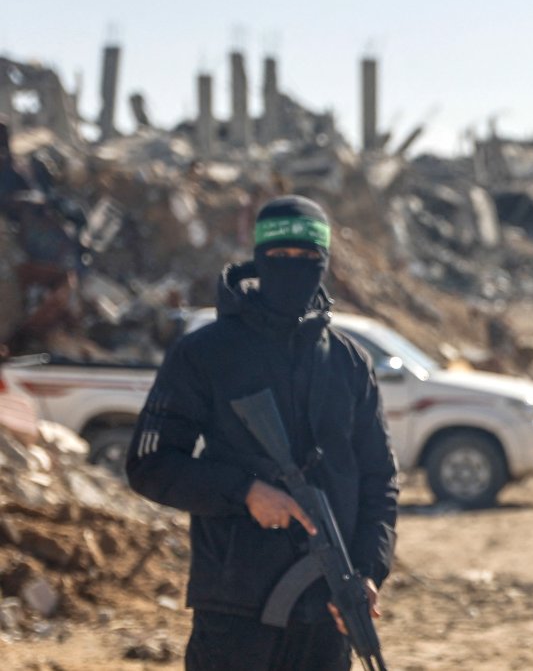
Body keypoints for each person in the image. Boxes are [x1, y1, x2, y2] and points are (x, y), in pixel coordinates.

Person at [126, 195, 399, 671]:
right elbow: (149, 464)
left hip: (327, 613)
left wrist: (369, 572)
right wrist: (244, 492)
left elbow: (380, 480)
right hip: (235, 607)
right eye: (280, 257)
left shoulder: (349, 363)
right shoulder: (206, 353)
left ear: (326, 263)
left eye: (309, 258)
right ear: (258, 259)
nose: (294, 268)